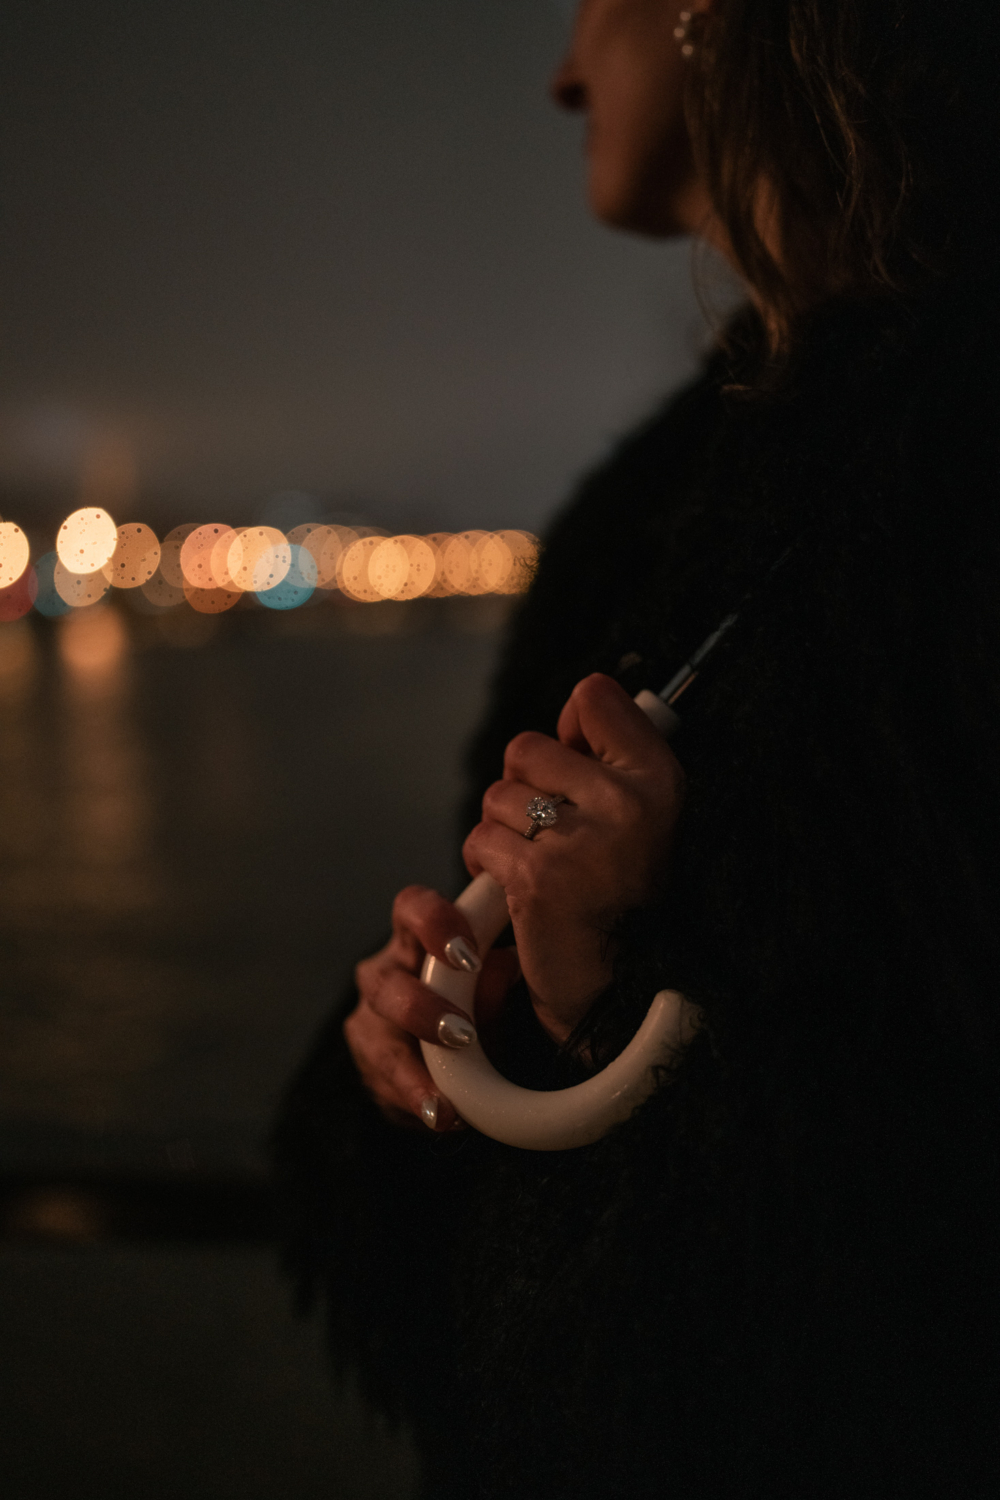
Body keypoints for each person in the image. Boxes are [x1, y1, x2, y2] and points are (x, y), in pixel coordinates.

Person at [275, 2, 1000, 1495]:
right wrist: (484, 1019)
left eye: (598, 1)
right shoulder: (698, 499)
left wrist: (628, 979)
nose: (557, 73)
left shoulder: (921, 487)